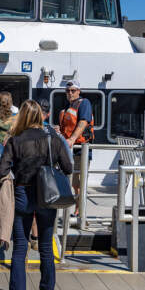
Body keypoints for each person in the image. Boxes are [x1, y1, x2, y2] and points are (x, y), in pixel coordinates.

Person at [0, 100, 72, 290]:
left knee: (20, 250)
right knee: (46, 247)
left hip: (23, 195)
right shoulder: (53, 139)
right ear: (41, 116)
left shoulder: (15, 140)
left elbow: (2, 170)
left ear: (21, 117)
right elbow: (68, 167)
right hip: (48, 197)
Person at [58, 81, 94, 217]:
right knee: (74, 182)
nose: (70, 93)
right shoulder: (68, 107)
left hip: (80, 149)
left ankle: (80, 212)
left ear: (79, 91)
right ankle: (76, 210)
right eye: (68, 91)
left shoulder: (84, 103)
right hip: (70, 150)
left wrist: (72, 139)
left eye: (73, 90)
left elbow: (83, 121)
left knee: (79, 181)